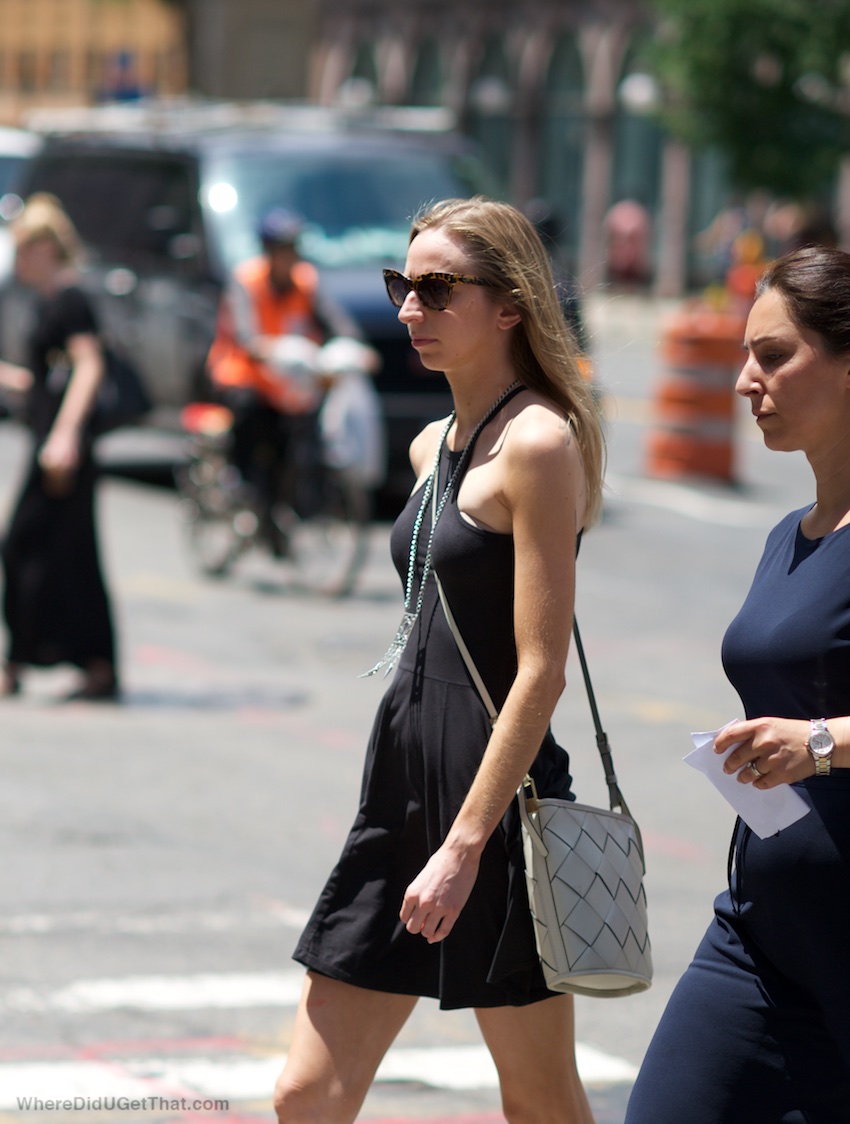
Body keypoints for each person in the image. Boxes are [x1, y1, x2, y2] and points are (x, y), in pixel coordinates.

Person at [273, 196, 606, 1124]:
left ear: (509, 305)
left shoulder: (537, 443)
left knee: (538, 1099)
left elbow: (541, 668)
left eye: (434, 288)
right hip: (404, 783)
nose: (408, 309)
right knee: (305, 1093)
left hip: (490, 805)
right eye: (401, 286)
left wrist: (466, 845)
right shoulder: (437, 444)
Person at [625, 245, 850, 1123]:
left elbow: (817, 731)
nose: (745, 381)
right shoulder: (788, 536)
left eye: (775, 355)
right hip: (763, 938)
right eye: (745, 355)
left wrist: (820, 742)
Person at [0, 193, 118, 700]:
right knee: (59, 553)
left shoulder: (70, 298)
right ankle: (88, 663)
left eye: (24, 250)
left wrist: (65, 436)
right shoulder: (51, 300)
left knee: (27, 545)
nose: (18, 261)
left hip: (62, 449)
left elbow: (89, 367)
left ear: (45, 248)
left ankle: (23, 661)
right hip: (52, 442)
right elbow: (48, 381)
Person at [205, 206, 358, 522]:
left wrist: (353, 348)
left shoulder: (306, 281)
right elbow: (246, 337)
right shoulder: (246, 281)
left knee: (299, 435)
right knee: (250, 415)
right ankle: (243, 485)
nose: (288, 257)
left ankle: (285, 505)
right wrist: (269, 350)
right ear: (267, 251)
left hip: (290, 381)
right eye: (281, 250)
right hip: (243, 373)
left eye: (292, 249)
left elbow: (335, 322)